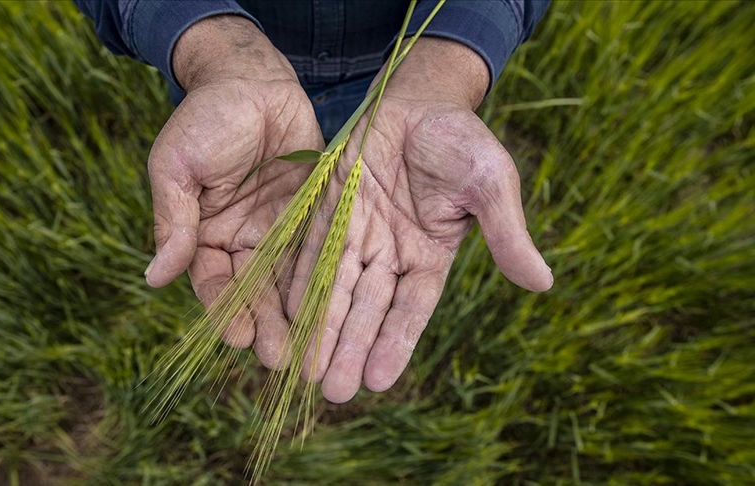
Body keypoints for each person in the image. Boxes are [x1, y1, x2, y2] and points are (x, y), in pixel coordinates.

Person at [75, 0, 554, 404]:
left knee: (341, 210)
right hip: (223, 75)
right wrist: (212, 47)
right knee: (263, 212)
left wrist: (445, 68)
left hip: (398, 69)